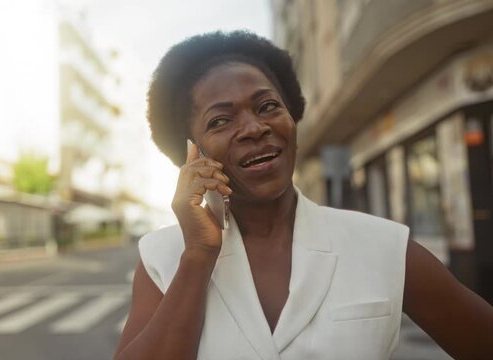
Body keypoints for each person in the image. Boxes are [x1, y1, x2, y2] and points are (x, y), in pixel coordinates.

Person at [114, 31, 493, 360]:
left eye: (267, 106)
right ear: (192, 151)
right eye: (220, 120)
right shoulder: (162, 256)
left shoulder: (383, 245)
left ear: (291, 118)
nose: (254, 127)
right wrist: (197, 256)